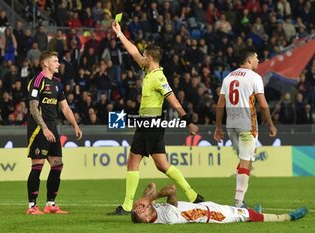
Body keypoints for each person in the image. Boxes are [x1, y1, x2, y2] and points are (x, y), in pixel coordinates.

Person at [108, 21, 204, 216]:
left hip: (151, 125)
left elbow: (173, 99)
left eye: (144, 56)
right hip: (148, 124)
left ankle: (129, 206)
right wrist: (119, 34)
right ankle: (191, 195)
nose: (141, 57)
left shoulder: (159, 78)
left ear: (150, 58)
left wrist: (187, 121)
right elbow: (133, 51)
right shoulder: (148, 71)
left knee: (147, 163)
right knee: (148, 163)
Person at [214, 49, 277, 208]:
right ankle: (238, 203)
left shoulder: (228, 77)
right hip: (247, 125)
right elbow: (263, 104)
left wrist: (218, 128)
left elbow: (220, 104)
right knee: (245, 160)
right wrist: (270, 124)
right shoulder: (254, 77)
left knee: (245, 159)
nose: (258, 60)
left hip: (231, 125)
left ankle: (241, 199)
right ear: (249, 61)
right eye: (256, 58)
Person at [26, 51, 83, 215]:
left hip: (53, 129)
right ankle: (32, 207)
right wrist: (44, 128)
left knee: (57, 165)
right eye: (55, 61)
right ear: (46, 64)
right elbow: (33, 107)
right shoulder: (37, 81)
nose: (59, 64)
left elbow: (65, 107)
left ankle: (50, 204)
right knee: (38, 165)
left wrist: (75, 125)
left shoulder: (57, 83)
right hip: (39, 129)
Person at [131, 183, 308, 224]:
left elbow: (151, 186)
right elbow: (170, 188)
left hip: (205, 206)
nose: (142, 207)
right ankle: (287, 217)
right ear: (147, 219)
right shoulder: (168, 217)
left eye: (139, 207)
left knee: (242, 210)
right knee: (251, 217)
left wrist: (142, 200)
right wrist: (149, 199)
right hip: (214, 216)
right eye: (141, 211)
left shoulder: (152, 211)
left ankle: (246, 210)